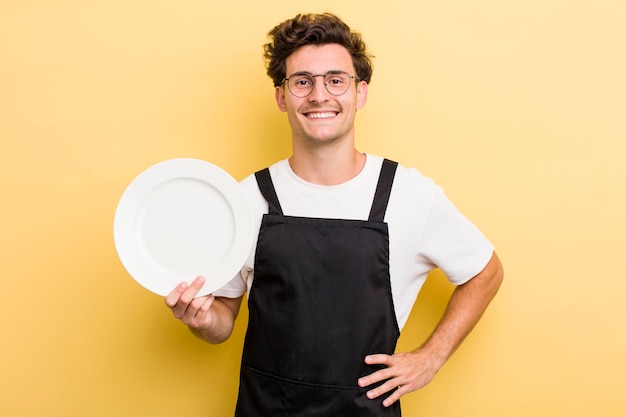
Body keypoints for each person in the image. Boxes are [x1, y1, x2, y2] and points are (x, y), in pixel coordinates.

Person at [165, 12, 503, 417]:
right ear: (281, 96)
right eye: (302, 81)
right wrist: (199, 320)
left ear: (360, 93)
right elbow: (222, 323)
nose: (319, 95)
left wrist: (431, 357)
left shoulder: (406, 193)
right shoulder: (247, 197)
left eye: (336, 80)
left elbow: (486, 271)